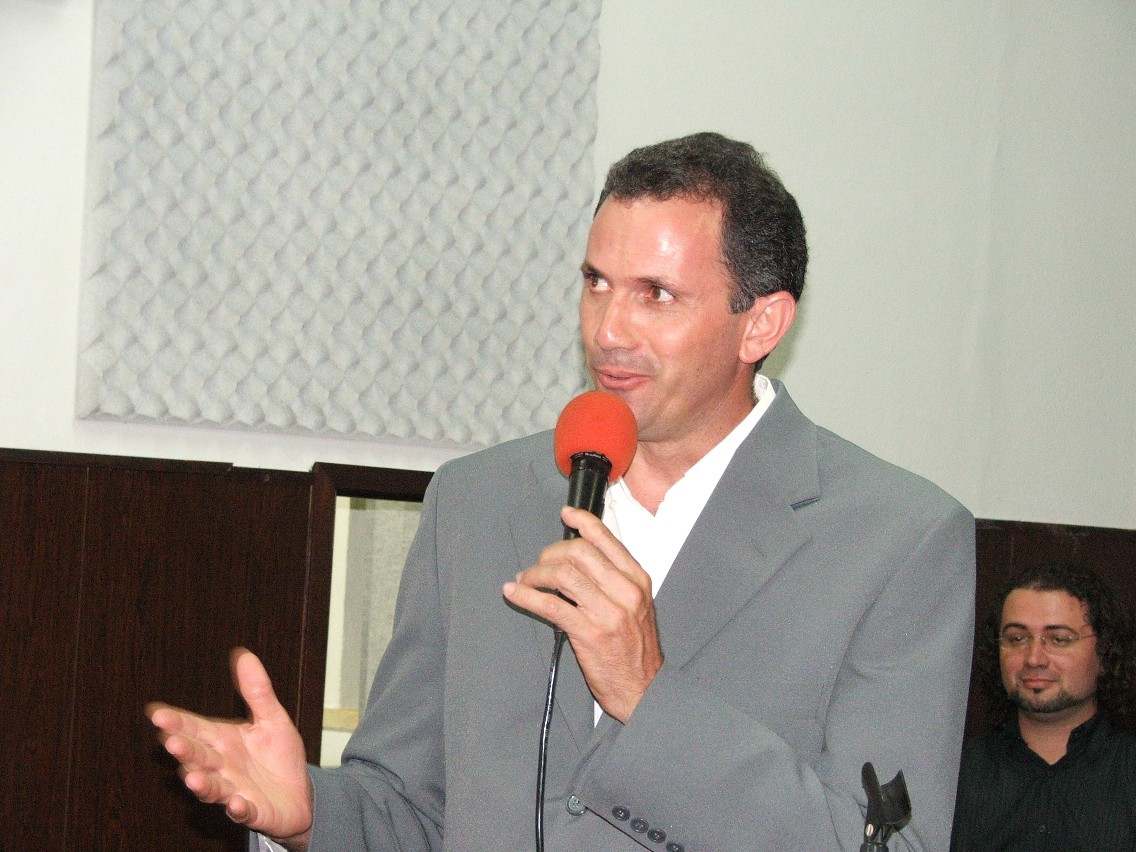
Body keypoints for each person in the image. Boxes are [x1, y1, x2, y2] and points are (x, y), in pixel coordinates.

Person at [148, 131, 976, 851]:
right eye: (596, 281)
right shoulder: (477, 501)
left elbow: (885, 846)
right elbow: (413, 809)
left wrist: (649, 700)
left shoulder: (896, 540)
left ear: (760, 323)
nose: (607, 329)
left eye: (656, 295)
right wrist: (310, 815)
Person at [950, 562, 1136, 850]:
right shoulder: (955, 773)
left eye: (1059, 639)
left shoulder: (1127, 770)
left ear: (1105, 652)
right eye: (1016, 639)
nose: (1034, 658)